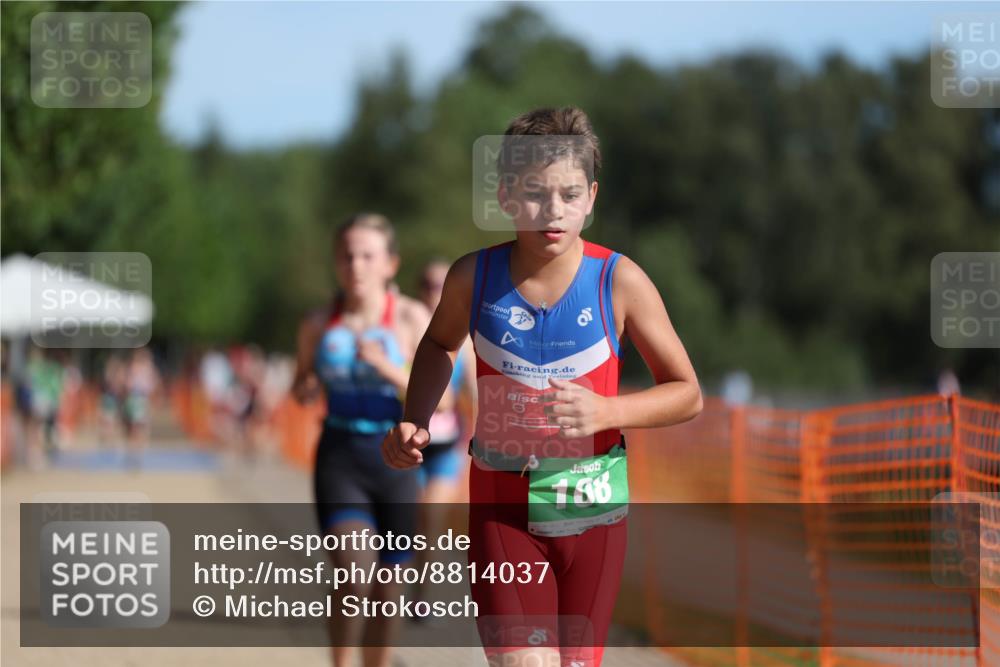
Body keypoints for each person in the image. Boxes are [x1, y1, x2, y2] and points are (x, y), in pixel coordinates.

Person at [381, 107, 703, 667]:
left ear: (591, 198)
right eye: (534, 193)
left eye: (569, 194)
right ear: (506, 196)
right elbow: (437, 345)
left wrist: (607, 412)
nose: (553, 210)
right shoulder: (472, 277)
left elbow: (687, 393)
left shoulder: (619, 280)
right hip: (502, 508)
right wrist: (416, 418)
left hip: (592, 511)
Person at [292, 212, 430, 667]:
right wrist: (306, 386)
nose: (356, 266)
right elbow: (300, 384)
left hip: (397, 460)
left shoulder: (410, 318)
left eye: (368, 256)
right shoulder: (318, 323)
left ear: (391, 263)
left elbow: (444, 401)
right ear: (336, 262)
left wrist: (387, 367)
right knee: (355, 575)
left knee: (389, 587)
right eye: (347, 256)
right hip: (340, 456)